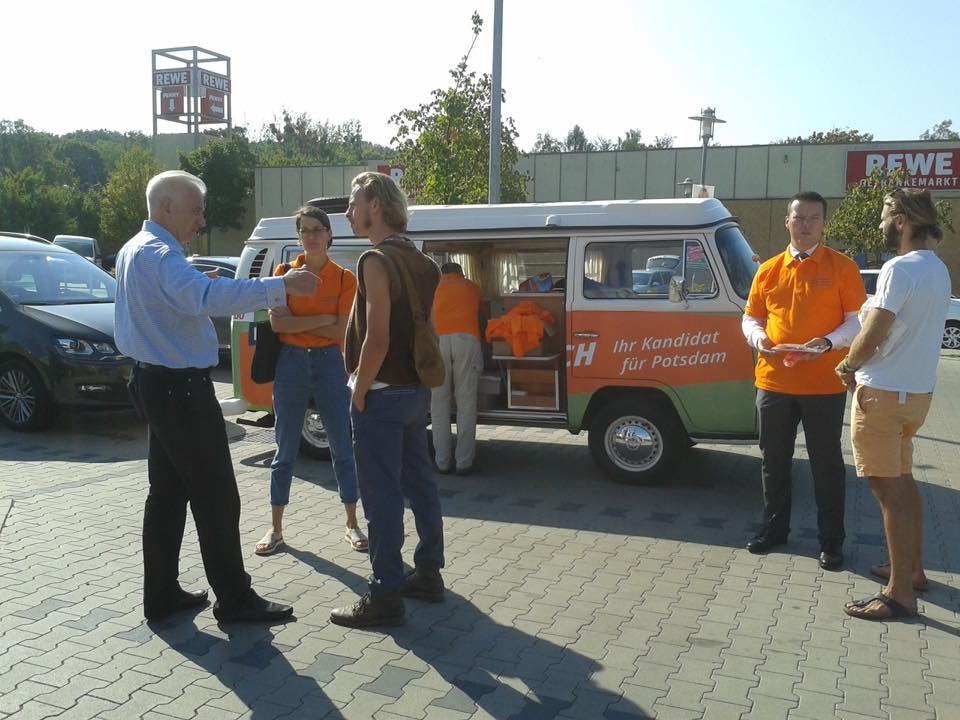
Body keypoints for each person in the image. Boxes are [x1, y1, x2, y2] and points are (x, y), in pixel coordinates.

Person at [115, 170, 318, 623]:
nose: (201, 220)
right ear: (166, 207)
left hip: (155, 384)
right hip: (180, 390)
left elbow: (179, 298)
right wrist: (282, 286)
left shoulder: (137, 249)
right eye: (196, 210)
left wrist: (191, 281)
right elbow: (206, 297)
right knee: (217, 497)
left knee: (167, 494)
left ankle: (161, 594)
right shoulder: (160, 254)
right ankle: (234, 598)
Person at [330, 172, 445, 628]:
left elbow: (376, 339)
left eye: (353, 203)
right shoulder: (423, 262)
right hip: (416, 391)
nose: (347, 212)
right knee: (421, 483)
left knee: (381, 496)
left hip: (382, 394)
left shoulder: (375, 260)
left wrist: (358, 390)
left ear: (375, 205)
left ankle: (384, 594)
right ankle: (429, 572)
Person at [839, 188, 950, 621]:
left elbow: (873, 332)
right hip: (916, 396)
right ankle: (912, 570)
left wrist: (847, 365)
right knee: (903, 485)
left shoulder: (898, 269)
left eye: (886, 215)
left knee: (889, 495)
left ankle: (899, 594)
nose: (881, 223)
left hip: (881, 395)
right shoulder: (937, 268)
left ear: (902, 221)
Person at [741, 190, 866, 571]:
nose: (806, 225)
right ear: (787, 222)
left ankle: (831, 543)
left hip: (823, 385)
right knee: (773, 461)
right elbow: (751, 317)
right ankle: (774, 530)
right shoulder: (768, 269)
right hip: (774, 383)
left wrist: (827, 343)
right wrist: (758, 339)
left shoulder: (843, 267)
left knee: (826, 465)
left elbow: (857, 321)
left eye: (813, 218)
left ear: (824, 224)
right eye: (799, 218)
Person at [254, 204, 367, 556]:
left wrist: (301, 323)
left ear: (329, 235)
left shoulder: (346, 279)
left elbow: (342, 330)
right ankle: (275, 529)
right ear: (298, 236)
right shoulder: (284, 273)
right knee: (284, 449)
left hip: (331, 363)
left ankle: (352, 524)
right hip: (290, 363)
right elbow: (278, 324)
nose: (312, 236)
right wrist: (323, 319)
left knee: (342, 447)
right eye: (305, 230)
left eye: (318, 229)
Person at [430, 262, 484, 475]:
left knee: (438, 404)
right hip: (466, 340)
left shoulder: (432, 288)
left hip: (437, 342)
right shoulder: (471, 287)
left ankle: (442, 462)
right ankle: (464, 462)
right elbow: (482, 314)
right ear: (461, 273)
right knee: (466, 402)